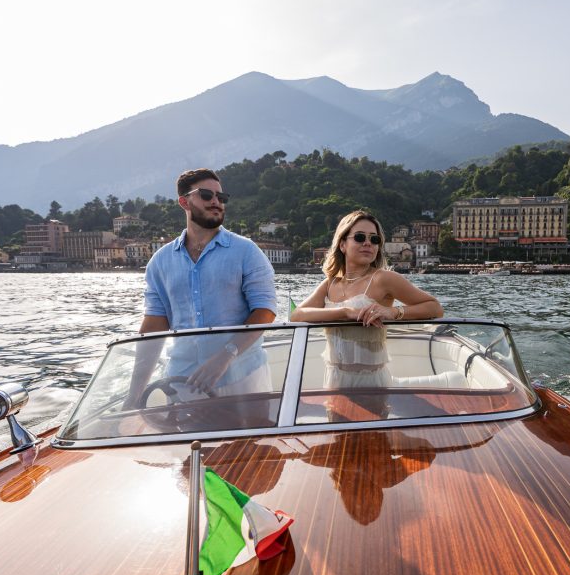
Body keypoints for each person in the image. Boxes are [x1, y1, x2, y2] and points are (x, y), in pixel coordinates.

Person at [126, 168, 277, 406]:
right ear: (184, 202)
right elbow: (153, 328)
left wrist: (226, 355)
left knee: (253, 434)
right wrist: (133, 397)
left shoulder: (247, 252)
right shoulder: (160, 262)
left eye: (221, 197)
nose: (216, 201)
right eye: (206, 195)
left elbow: (265, 311)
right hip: (182, 384)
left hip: (243, 378)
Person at [290, 210, 442, 395]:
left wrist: (393, 312)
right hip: (334, 378)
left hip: (372, 382)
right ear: (342, 244)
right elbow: (296, 315)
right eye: (360, 237)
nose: (368, 243)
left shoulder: (383, 278)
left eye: (374, 239)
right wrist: (346, 312)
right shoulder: (330, 283)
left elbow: (435, 307)